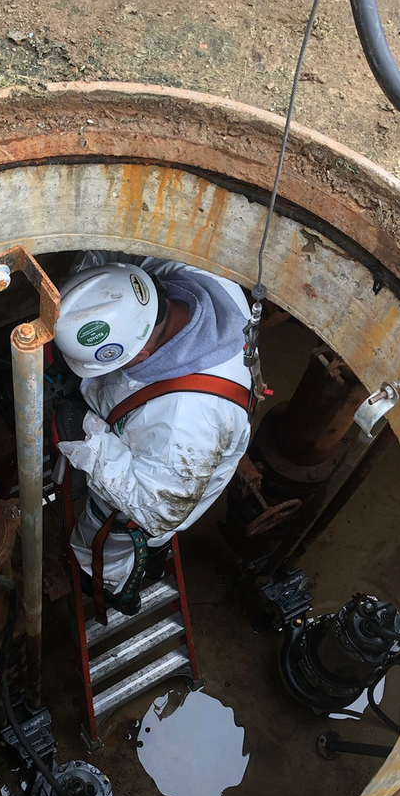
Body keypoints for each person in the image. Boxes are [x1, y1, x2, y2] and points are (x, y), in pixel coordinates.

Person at [52, 251, 253, 615]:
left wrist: (87, 436)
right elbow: (112, 259)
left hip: (149, 498)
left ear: (142, 352)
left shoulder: (186, 420)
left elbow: (155, 509)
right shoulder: (198, 278)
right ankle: (154, 559)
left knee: (103, 547)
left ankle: (111, 589)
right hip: (166, 461)